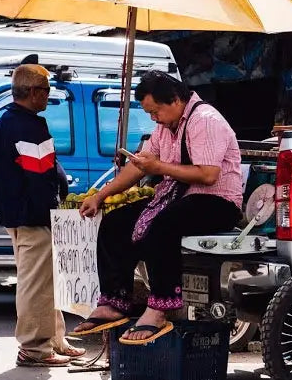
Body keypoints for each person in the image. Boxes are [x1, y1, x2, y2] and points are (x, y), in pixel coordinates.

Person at [72, 71, 242, 345]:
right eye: (149, 113)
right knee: (116, 223)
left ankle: (160, 307)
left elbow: (208, 175)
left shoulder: (205, 120)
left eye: (155, 111)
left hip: (217, 202)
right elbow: (137, 168)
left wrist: (159, 167)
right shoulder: (165, 128)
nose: (153, 118)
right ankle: (115, 300)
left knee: (162, 226)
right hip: (177, 197)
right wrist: (101, 196)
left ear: (175, 100)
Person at [0, 64, 85, 367]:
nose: (48, 96)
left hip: (17, 214)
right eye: (45, 90)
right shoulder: (27, 126)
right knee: (35, 284)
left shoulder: (5, 122)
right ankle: (34, 349)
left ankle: (55, 339)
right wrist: (56, 208)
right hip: (33, 215)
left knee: (46, 281)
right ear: (31, 92)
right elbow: (40, 175)